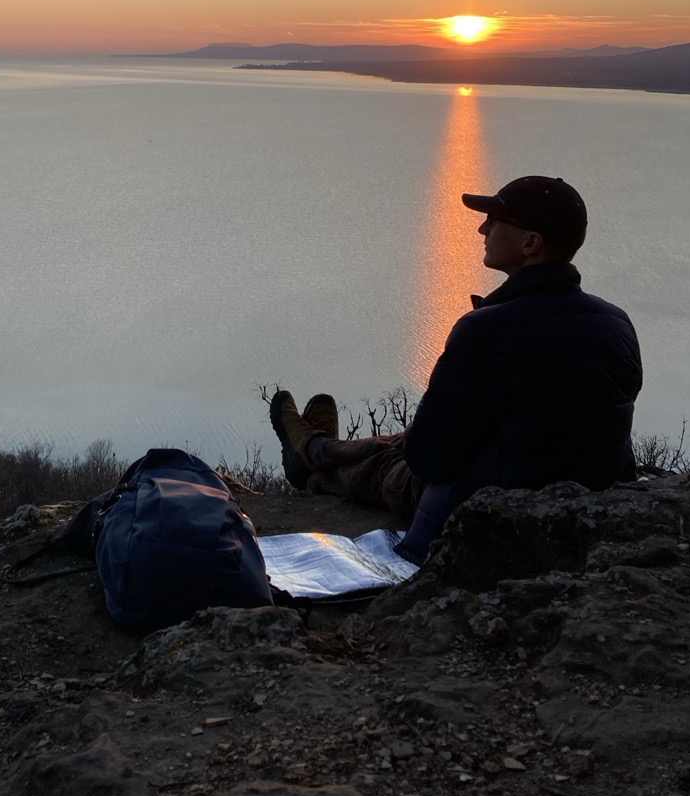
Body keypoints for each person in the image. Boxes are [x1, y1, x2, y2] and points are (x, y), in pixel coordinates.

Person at [268, 175, 643, 564]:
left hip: (491, 505)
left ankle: (312, 464)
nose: (483, 228)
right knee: (417, 437)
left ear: (530, 243)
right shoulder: (616, 322)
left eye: (495, 220)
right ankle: (316, 447)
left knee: (391, 466)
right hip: (591, 496)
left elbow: (427, 459)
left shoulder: (486, 330)